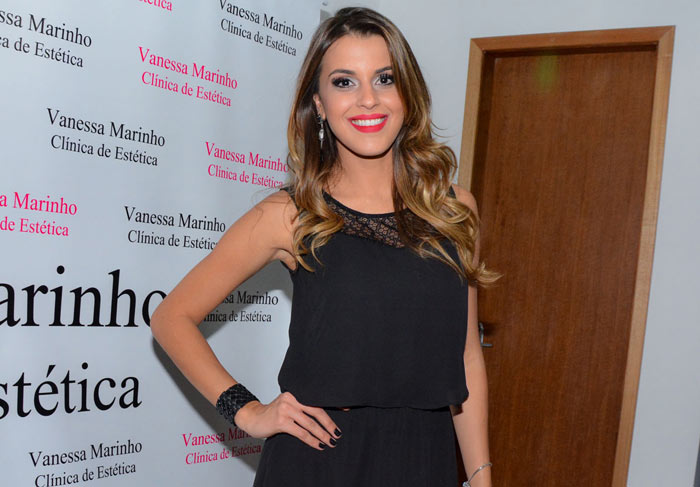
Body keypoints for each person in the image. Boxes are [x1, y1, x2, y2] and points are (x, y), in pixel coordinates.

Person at [150, 7, 499, 487]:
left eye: (385, 78)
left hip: (425, 459)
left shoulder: (455, 209)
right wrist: (248, 412)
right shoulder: (290, 213)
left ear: (408, 93)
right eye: (344, 82)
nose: (368, 99)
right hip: (319, 462)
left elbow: (466, 356)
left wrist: (480, 476)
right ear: (318, 102)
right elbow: (171, 317)